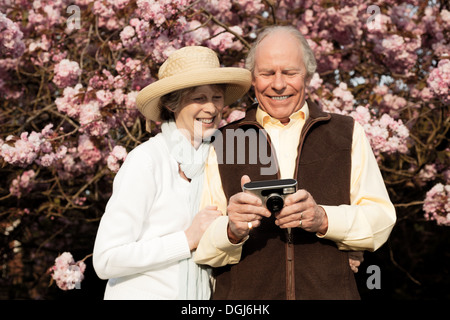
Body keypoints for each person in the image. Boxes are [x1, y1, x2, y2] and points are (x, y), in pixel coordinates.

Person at [194, 26, 396, 299]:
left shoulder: (346, 132)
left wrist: (323, 219)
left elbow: (382, 220)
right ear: (253, 79)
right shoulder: (226, 140)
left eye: (290, 72)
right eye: (267, 73)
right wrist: (231, 229)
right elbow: (201, 246)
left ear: (308, 76)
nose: (278, 84)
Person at [92, 46, 252, 300]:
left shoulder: (220, 160)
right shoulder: (146, 160)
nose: (211, 108)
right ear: (171, 103)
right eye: (199, 98)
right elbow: (106, 259)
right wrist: (186, 239)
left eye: (217, 97)